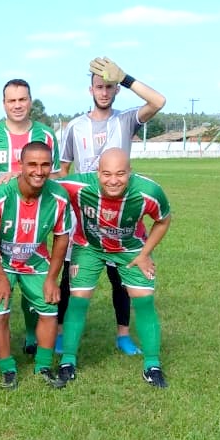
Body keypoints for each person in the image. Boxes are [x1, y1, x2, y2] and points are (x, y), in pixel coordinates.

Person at [57, 57, 167, 356]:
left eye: (109, 87)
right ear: (89, 89)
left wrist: (127, 78)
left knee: (121, 278)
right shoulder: (74, 127)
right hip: (85, 214)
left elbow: (158, 101)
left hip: (122, 213)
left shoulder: (126, 119)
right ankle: (63, 332)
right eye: (99, 87)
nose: (103, 92)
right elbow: (63, 172)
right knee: (70, 276)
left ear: (116, 90)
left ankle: (123, 334)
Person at [55, 148, 172, 388]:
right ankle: (67, 362)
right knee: (78, 299)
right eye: (106, 173)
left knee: (144, 301)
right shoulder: (79, 186)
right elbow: (45, 181)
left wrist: (145, 253)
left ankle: (152, 365)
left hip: (130, 249)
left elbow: (163, 220)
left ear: (130, 172)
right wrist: (15, 174)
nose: (113, 180)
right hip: (89, 246)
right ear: (97, 173)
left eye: (120, 173)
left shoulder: (148, 191)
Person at [0, 78, 61, 355]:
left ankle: (32, 336)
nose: (17, 105)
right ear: (4, 104)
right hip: (0, 227)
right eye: (12, 100)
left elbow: (55, 177)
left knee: (31, 275)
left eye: (23, 99)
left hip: (34, 224)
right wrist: (1, 201)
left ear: (30, 101)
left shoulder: (45, 135)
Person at [0, 142, 71, 390]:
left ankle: (43, 365)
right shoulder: (0, 196)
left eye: (45, 165)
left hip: (36, 260)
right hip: (2, 261)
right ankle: (7, 368)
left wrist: (52, 278)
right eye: (32, 164)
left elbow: (62, 237)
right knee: (0, 312)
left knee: (49, 307)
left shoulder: (59, 197)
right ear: (20, 166)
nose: (39, 171)